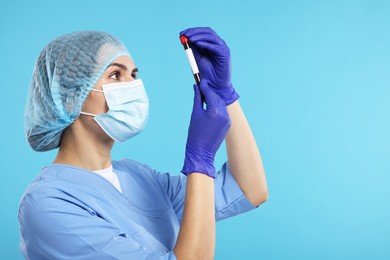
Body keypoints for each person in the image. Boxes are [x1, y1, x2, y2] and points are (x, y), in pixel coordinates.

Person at [18, 27, 268, 259]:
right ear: (70, 99)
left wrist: (224, 94)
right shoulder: (47, 204)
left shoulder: (138, 176)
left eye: (134, 75)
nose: (133, 86)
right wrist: (201, 158)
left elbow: (249, 189)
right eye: (115, 74)